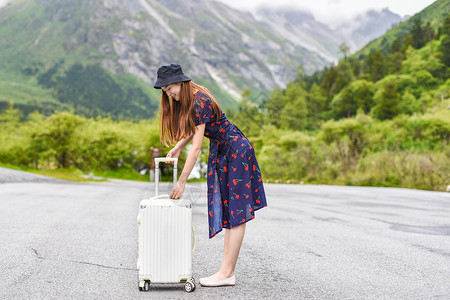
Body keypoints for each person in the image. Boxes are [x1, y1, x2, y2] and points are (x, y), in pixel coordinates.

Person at [153, 63, 267, 287]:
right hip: (226, 151)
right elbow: (196, 130)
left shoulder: (199, 101)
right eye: (165, 92)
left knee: (236, 212)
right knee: (230, 211)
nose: (169, 95)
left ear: (180, 82)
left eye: (169, 89)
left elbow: (196, 148)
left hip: (235, 151)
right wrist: (177, 147)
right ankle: (226, 271)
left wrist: (182, 181)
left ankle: (227, 273)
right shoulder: (194, 97)